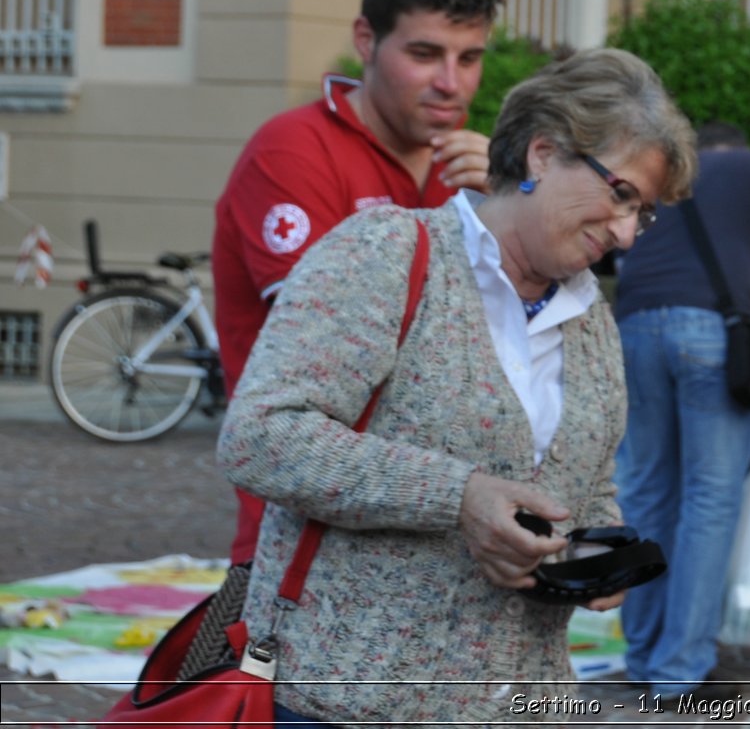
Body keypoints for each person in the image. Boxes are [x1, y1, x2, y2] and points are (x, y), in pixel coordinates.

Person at [216, 49, 698, 726]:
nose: (624, 231)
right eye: (620, 193)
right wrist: (459, 496)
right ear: (543, 153)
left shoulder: (591, 319)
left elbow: (589, 483)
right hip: (344, 700)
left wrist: (593, 551)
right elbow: (260, 435)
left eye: (641, 212)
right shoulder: (386, 252)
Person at [212, 0, 502, 564]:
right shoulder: (292, 150)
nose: (451, 83)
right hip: (306, 535)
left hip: (437, 519)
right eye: (425, 54)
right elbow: (341, 342)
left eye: (470, 57)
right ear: (366, 40)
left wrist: (512, 206)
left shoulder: (473, 172)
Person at [611, 121, 750, 701]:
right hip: (715, 338)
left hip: (633, 329)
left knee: (645, 493)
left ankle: (642, 655)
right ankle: (680, 671)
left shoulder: (662, 171)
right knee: (710, 501)